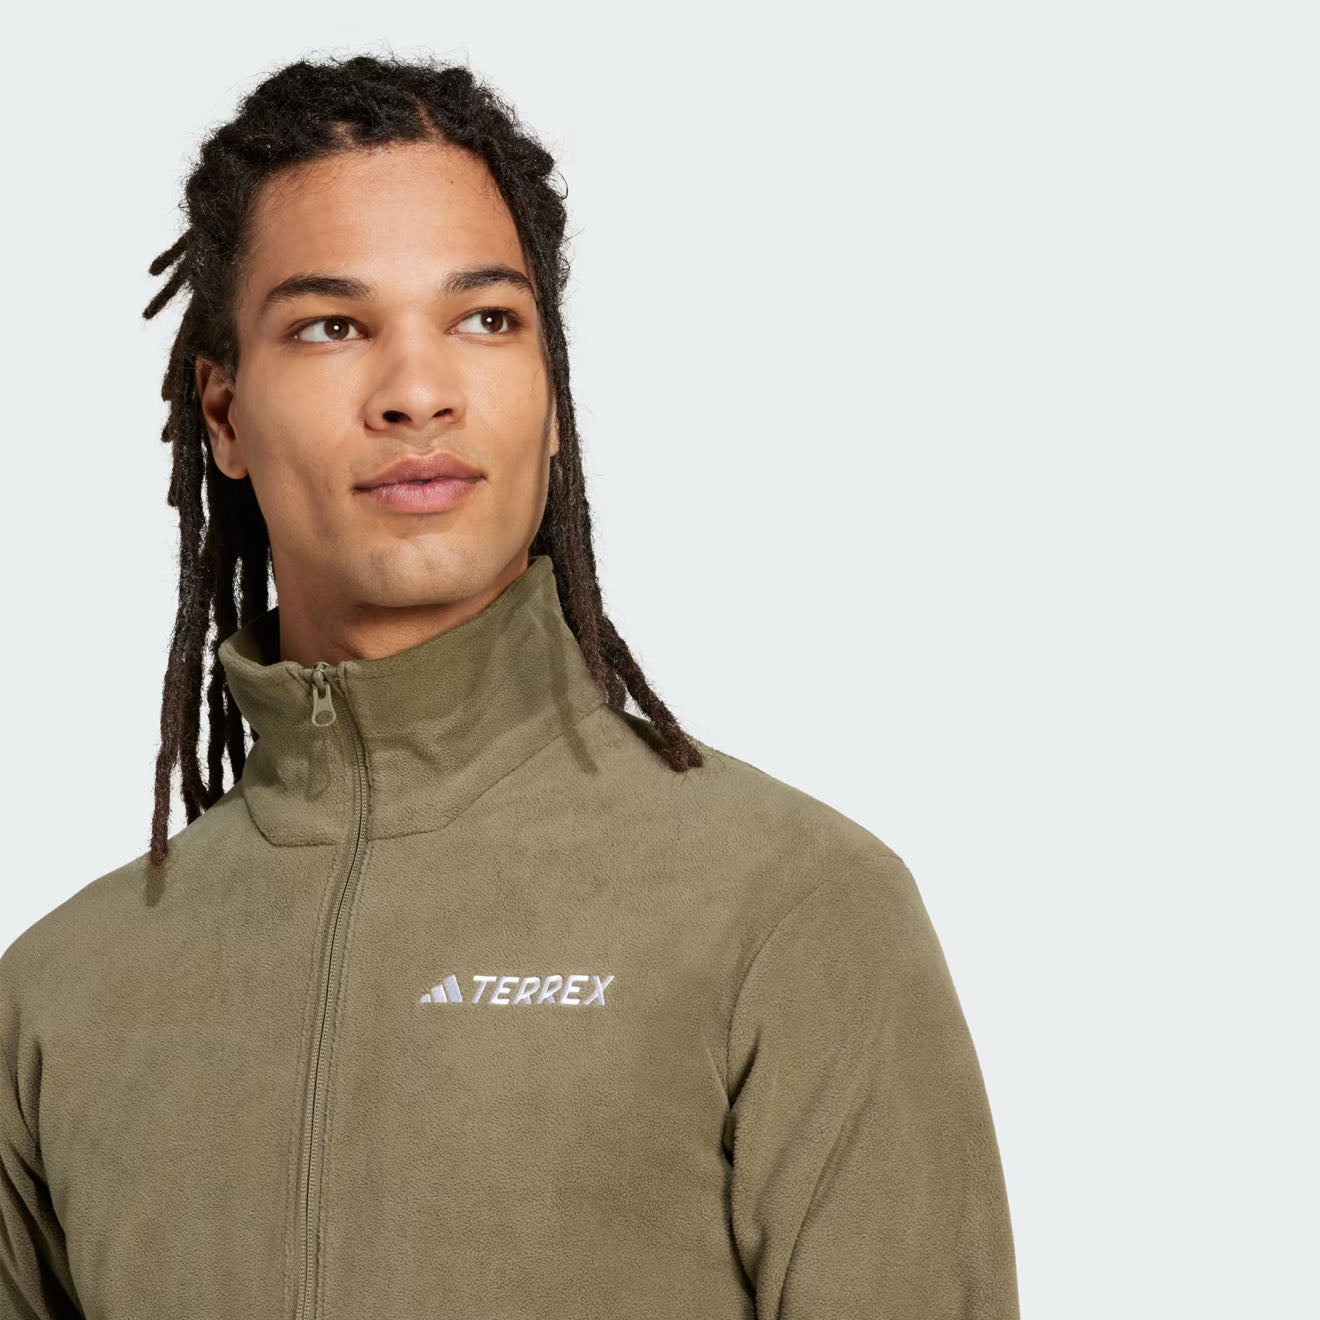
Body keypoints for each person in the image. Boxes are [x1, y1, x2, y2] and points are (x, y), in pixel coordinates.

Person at [0, 52, 1020, 1319]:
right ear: (223, 412)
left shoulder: (793, 911)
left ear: (548, 393)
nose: (418, 392)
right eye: (331, 326)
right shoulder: (60, 997)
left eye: (486, 318)